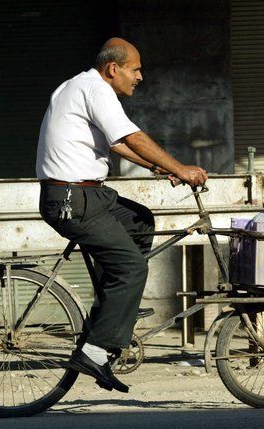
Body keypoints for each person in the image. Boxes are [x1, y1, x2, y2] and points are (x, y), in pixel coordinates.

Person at [36, 37, 208, 393]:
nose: (140, 76)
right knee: (132, 266)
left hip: (88, 194)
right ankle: (95, 350)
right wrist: (181, 167)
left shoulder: (77, 87)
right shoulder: (94, 89)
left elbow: (116, 144)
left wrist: (160, 170)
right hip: (73, 198)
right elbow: (131, 135)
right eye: (135, 69)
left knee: (140, 221)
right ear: (113, 69)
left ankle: (115, 309)